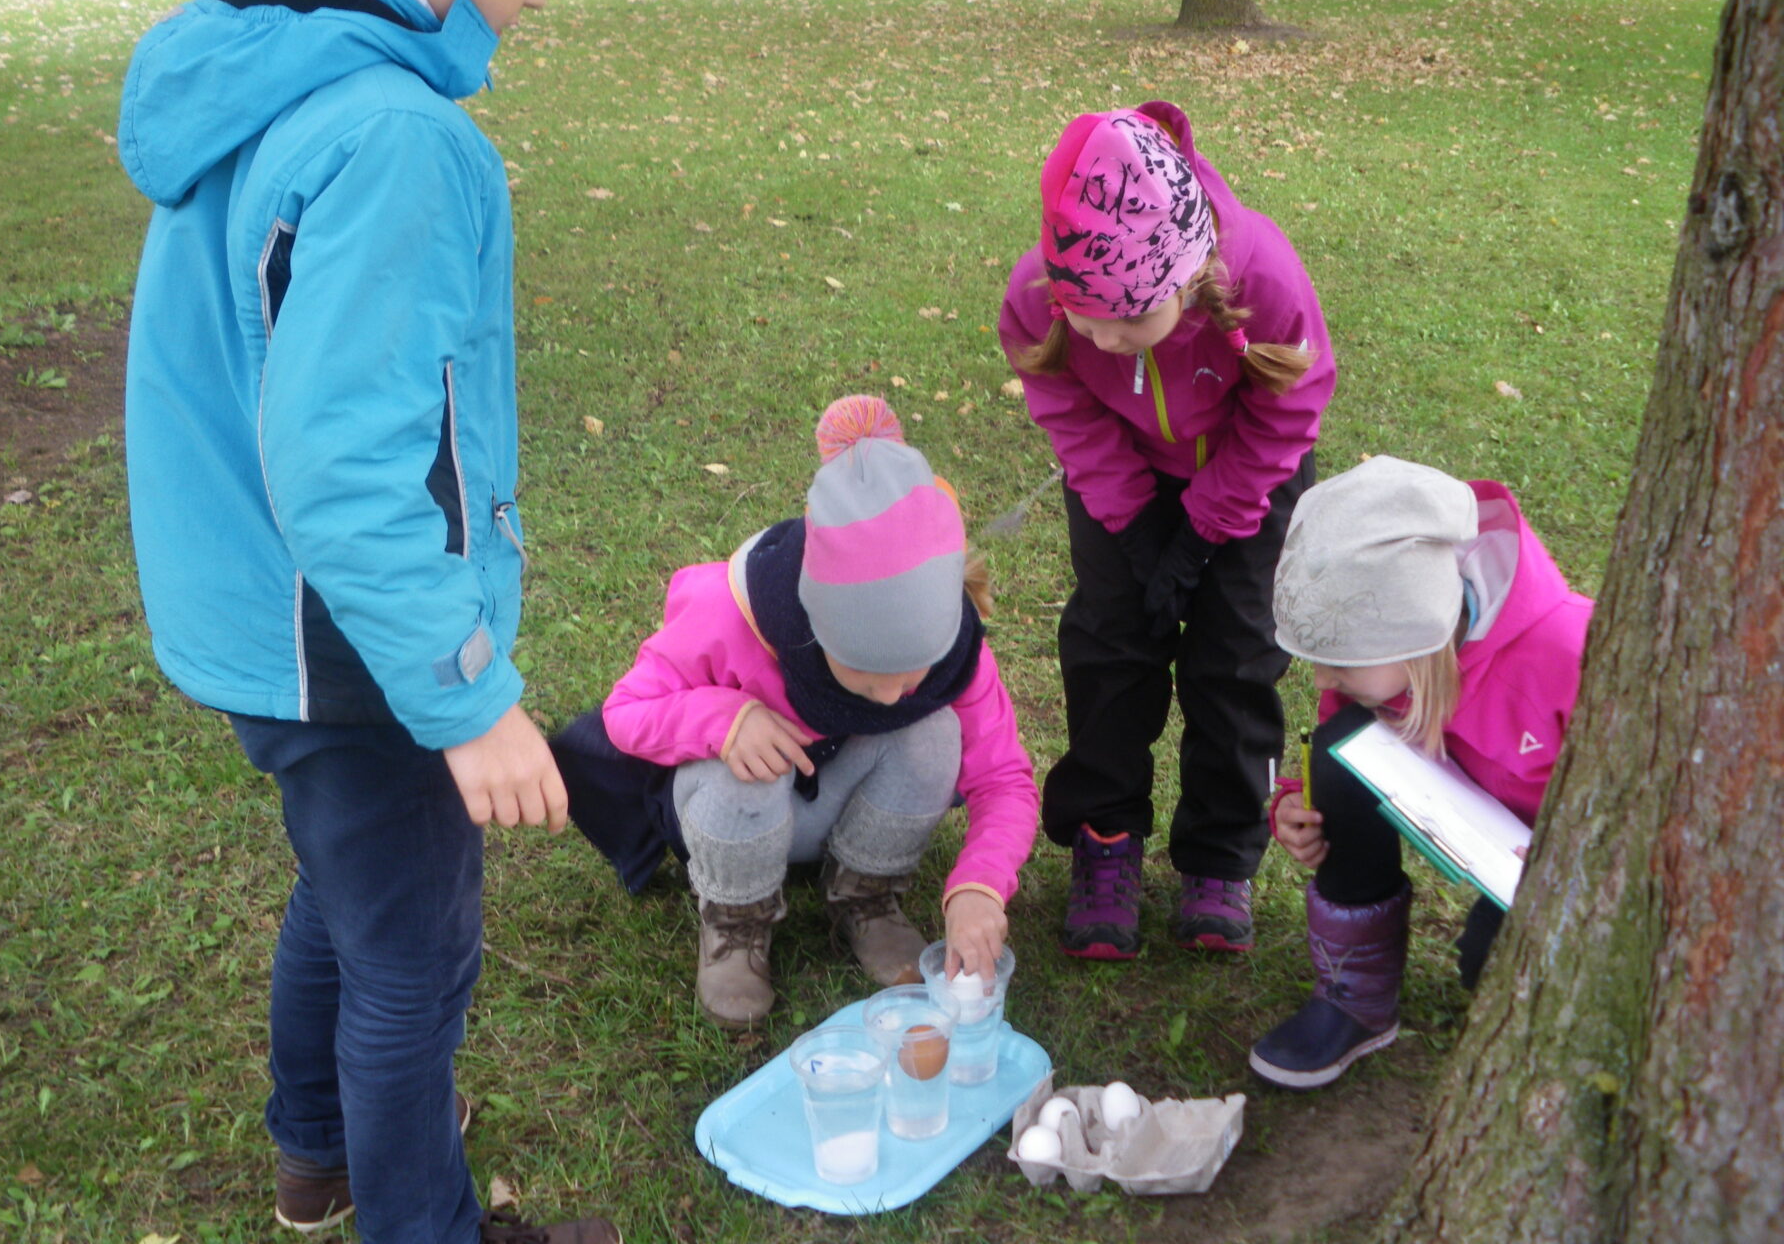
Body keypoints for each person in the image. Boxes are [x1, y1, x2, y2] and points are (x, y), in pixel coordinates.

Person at [115, 0, 616, 1239]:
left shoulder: (267, 63)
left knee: (344, 892)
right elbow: (340, 465)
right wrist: (466, 699)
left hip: (259, 621)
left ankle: (318, 1151)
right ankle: (420, 1217)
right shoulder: (396, 136)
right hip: (351, 648)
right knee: (415, 964)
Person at [550, 397, 1039, 1029]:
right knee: (745, 765)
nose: (893, 695)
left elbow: (1004, 778)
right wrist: (724, 719)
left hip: (830, 805)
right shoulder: (738, 616)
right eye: (866, 674)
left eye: (912, 674)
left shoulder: (957, 651)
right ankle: (735, 922)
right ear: (814, 625)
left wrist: (980, 884)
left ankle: (867, 893)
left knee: (933, 730)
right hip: (732, 809)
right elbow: (626, 714)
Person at [998, 102, 1335, 961]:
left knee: (1238, 656)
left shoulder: (1261, 275)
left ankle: (1220, 855)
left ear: (1188, 281)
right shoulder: (1040, 296)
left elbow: (1286, 409)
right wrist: (1140, 523)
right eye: (1090, 323)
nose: (1106, 341)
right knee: (1111, 645)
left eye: (1128, 324)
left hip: (1246, 480)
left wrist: (1204, 528)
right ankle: (1105, 839)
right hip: (1127, 483)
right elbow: (1069, 407)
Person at [1250, 456, 1593, 1089]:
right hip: (1467, 815)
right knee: (1341, 748)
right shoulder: (1387, 668)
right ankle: (1357, 997)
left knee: (1491, 967)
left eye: (1340, 665)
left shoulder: (1570, 655)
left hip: (1563, 868)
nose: (1325, 680)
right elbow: (1336, 722)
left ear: (1412, 639)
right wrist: (1297, 800)